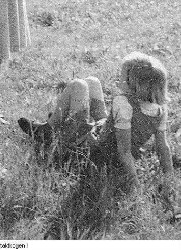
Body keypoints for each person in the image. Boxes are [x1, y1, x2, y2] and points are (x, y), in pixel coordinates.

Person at [18, 52, 175, 192]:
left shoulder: (124, 103)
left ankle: (49, 131)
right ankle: (57, 123)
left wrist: (135, 183)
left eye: (122, 77)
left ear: (132, 83)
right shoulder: (159, 110)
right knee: (93, 82)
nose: (118, 80)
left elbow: (124, 151)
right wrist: (169, 177)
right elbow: (163, 147)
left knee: (78, 85)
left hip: (95, 152)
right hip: (107, 140)